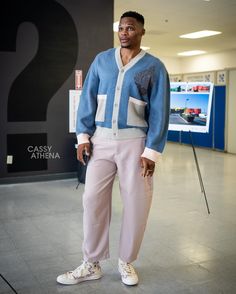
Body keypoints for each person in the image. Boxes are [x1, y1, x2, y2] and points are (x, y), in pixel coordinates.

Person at [57, 11, 170, 286]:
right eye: (121, 28)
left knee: (136, 203)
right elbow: (88, 99)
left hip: (135, 144)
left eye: (130, 28)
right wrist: (83, 137)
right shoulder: (102, 61)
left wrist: (151, 152)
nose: (124, 32)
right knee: (92, 201)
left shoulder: (154, 67)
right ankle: (91, 262)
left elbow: (160, 112)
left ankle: (126, 261)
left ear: (142, 32)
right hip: (101, 142)